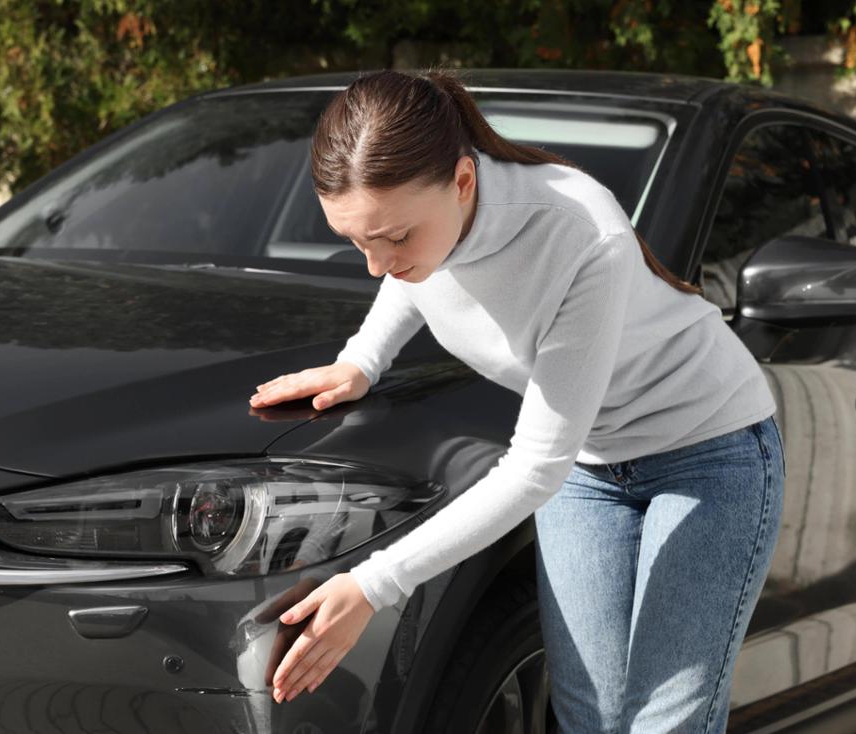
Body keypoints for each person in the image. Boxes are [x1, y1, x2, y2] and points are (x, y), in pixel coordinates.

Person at [250, 66, 786, 733]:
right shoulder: (427, 228)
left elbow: (534, 468)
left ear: (464, 181)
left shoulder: (581, 234)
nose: (375, 264)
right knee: (588, 713)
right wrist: (362, 360)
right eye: (357, 240)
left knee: (661, 721)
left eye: (393, 238)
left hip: (708, 452)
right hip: (590, 465)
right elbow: (416, 275)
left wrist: (372, 585)